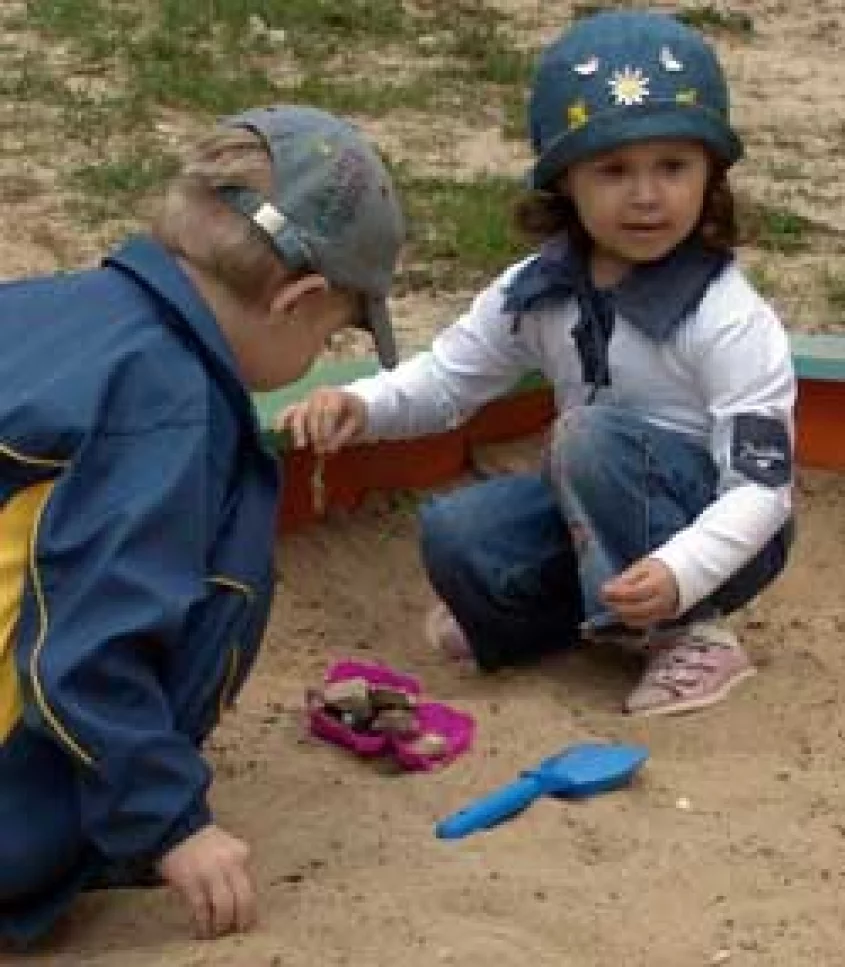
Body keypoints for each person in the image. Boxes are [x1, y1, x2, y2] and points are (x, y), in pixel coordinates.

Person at [279, 12, 795, 718]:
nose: (645, 196)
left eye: (672, 167)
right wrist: (361, 404)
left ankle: (691, 635)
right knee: (457, 534)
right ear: (565, 183)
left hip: (715, 530)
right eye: (612, 170)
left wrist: (682, 573)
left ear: (710, 174)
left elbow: (761, 489)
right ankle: (575, 620)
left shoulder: (726, 316)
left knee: (585, 434)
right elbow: (447, 379)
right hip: (592, 499)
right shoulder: (541, 289)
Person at [0, 104, 404, 945]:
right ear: (297, 300)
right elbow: (84, 642)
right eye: (333, 337)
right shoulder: (165, 403)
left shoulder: (43, 309)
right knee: (207, 537)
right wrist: (169, 822)